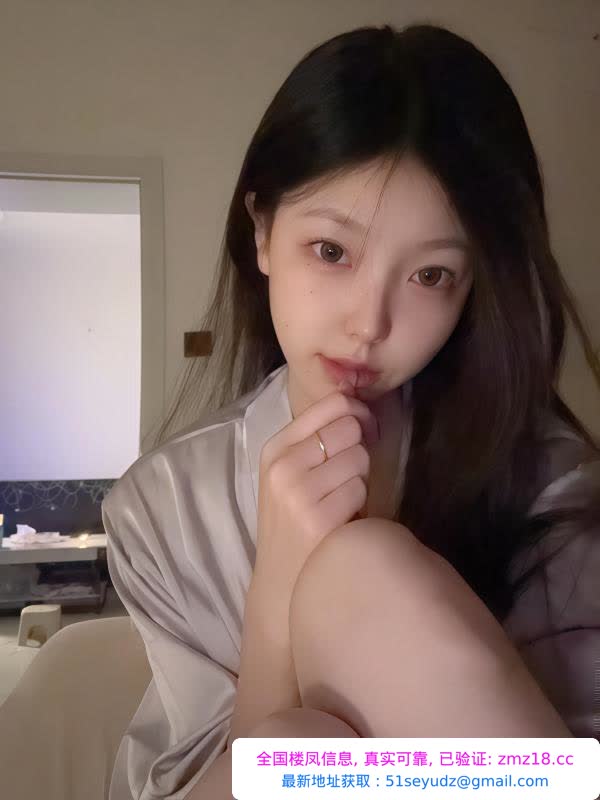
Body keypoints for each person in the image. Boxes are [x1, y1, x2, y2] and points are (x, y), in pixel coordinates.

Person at [100, 22, 600, 800]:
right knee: (296, 744)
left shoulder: (546, 478)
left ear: (474, 285)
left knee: (355, 576)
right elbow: (241, 776)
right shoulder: (164, 511)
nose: (369, 324)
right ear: (262, 231)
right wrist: (277, 593)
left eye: (432, 275)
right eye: (331, 252)